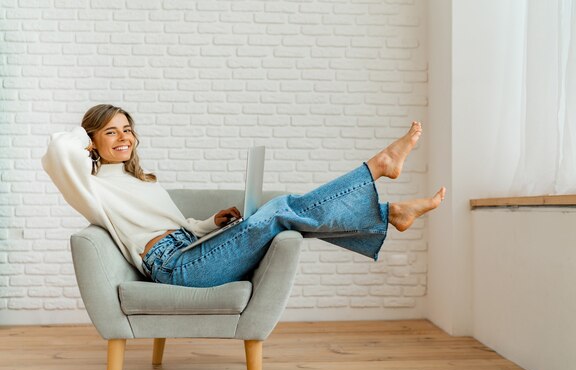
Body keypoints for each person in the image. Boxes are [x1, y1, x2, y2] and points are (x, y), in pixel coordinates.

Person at [42, 104, 446, 288]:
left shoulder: (142, 180)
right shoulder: (90, 185)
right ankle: (379, 171)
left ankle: (390, 211)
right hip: (174, 269)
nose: (123, 137)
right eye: (110, 131)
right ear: (92, 141)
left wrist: (208, 224)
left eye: (127, 129)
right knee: (280, 210)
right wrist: (87, 133)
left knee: (286, 216)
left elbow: (175, 227)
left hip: (192, 248)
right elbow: (57, 151)